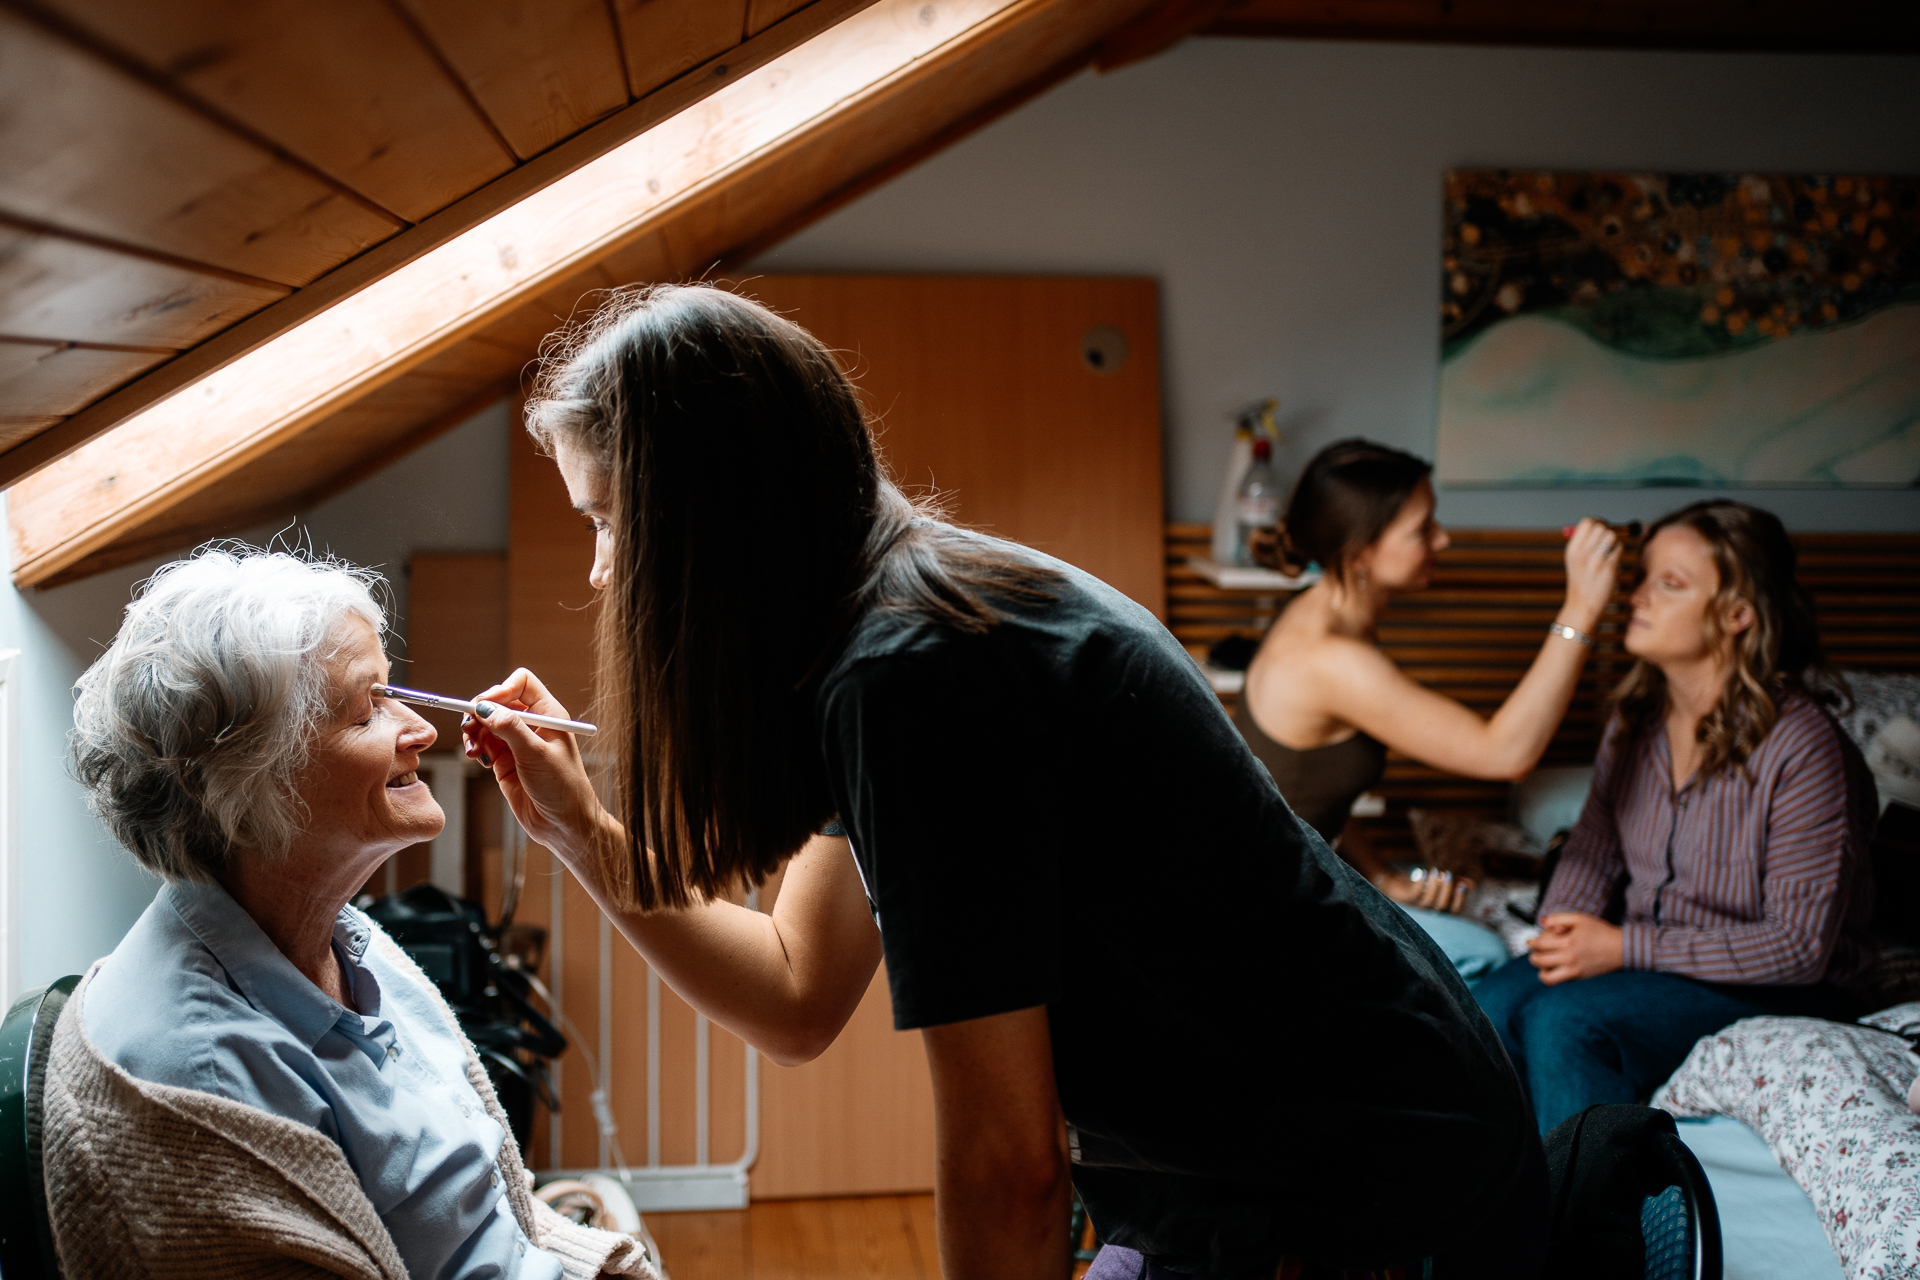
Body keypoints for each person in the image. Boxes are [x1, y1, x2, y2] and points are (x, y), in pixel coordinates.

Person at [462, 284, 1546, 1280]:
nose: (602, 569)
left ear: (709, 517)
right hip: (1263, 1168)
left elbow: (1008, 1163)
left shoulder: (914, 675)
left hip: (1377, 1190)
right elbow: (797, 989)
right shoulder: (881, 636)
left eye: (607, 520)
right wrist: (580, 829)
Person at [58, 548, 655, 1280]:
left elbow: (490, 1213)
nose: (425, 731)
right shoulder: (205, 1075)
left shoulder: (351, 942)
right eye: (369, 707)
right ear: (255, 781)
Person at [1471, 500, 1877, 1134]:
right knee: (1483, 1009)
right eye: (1644, 577)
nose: (1637, 597)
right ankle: (1490, 1209)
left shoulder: (1805, 746)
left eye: (1671, 584)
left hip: (1782, 985)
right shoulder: (1635, 724)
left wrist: (1622, 946)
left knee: (1569, 1022)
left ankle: (1596, 1229)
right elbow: (1595, 849)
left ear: (1738, 615)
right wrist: (1563, 930)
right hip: (1650, 961)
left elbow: (1798, 947)